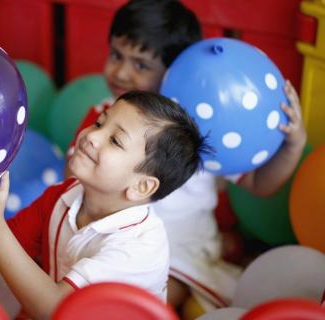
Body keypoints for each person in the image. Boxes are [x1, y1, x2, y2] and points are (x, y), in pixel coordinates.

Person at [64, 0, 308, 312]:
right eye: (116, 55)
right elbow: (69, 185)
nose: (121, 72)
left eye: (141, 64)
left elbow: (260, 184)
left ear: (175, 72)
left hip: (179, 250)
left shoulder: (193, 132)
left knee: (160, 296)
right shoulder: (102, 117)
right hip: (108, 243)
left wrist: (292, 146)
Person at [0, 91, 208, 319]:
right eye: (100, 123)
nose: (91, 135)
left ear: (142, 186)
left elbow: (57, 309)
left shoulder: (136, 247)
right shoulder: (64, 196)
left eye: (115, 140)